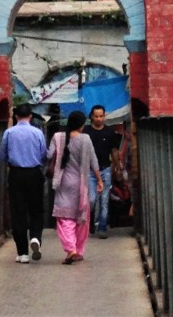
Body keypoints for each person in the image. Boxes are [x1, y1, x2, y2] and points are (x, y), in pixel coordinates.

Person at [47, 110, 103, 264]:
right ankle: (78, 251)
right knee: (81, 218)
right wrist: (99, 180)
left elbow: (48, 155)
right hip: (81, 183)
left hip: (63, 181)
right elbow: (94, 161)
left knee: (64, 217)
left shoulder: (58, 137)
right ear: (81, 124)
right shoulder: (85, 139)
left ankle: (70, 248)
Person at [0, 103, 47, 263]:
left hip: (16, 174)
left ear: (16, 116)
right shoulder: (37, 132)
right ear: (31, 116)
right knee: (36, 210)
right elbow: (43, 154)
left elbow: (2, 155)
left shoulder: (9, 133)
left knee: (18, 212)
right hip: (34, 173)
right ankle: (35, 237)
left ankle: (23, 253)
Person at [83, 104, 122, 238]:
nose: (99, 119)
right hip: (89, 171)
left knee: (104, 200)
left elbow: (114, 151)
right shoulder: (86, 132)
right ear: (91, 117)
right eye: (96, 116)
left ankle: (102, 227)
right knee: (92, 199)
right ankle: (90, 218)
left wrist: (117, 168)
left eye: (101, 116)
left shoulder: (109, 132)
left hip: (105, 169)